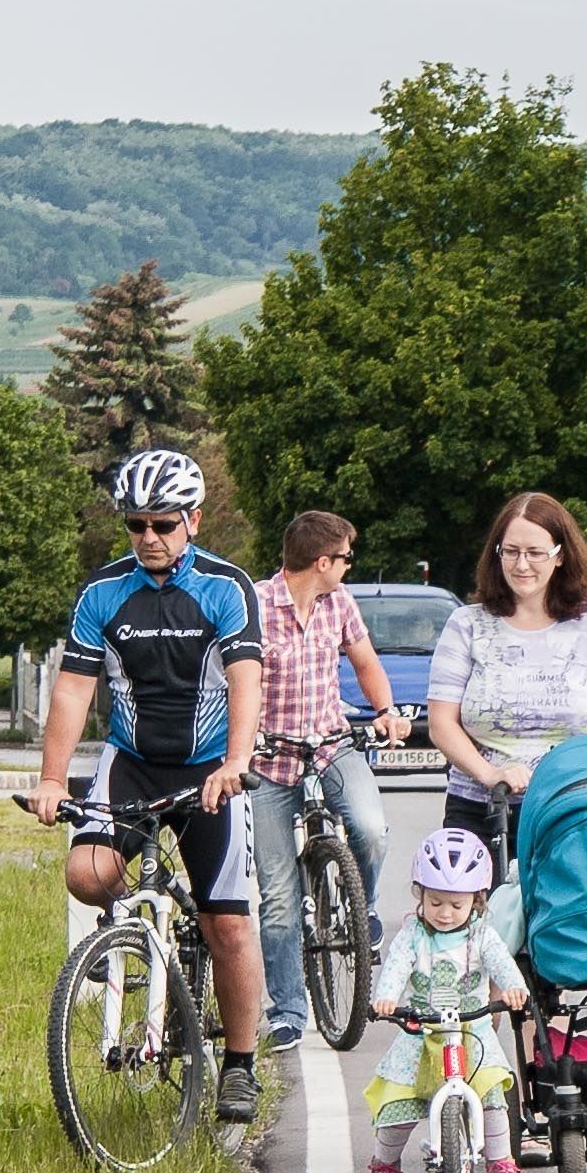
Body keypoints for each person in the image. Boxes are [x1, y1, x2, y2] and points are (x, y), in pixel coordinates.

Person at [25, 449, 272, 1125]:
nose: (149, 537)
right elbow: (73, 690)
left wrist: (236, 761)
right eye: (136, 525)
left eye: (163, 524)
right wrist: (52, 779)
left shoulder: (226, 587)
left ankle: (241, 1066)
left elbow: (246, 680)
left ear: (194, 520)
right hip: (132, 760)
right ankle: (130, 932)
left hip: (209, 768)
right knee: (86, 874)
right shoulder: (103, 592)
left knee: (228, 924)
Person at [248, 508, 411, 1053]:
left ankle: (360, 906)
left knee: (370, 829)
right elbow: (234, 681)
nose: (348, 566)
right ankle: (289, 1011)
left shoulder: (339, 602)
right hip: (270, 762)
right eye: (345, 558)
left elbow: (364, 662)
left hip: (330, 746)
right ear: (322, 561)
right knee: (278, 898)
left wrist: (385, 711)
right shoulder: (253, 606)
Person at [423, 492, 587, 854]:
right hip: (482, 810)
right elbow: (441, 723)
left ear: (560, 555)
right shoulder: (466, 624)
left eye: (535, 553)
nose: (522, 564)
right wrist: (490, 775)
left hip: (572, 811)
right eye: (511, 552)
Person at [363, 826, 534, 1173]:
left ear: (477, 901)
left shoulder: (482, 935)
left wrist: (513, 988)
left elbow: (502, 964)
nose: (444, 913)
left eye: (456, 905)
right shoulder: (413, 935)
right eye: (435, 902)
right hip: (420, 1031)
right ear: (420, 895)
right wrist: (386, 997)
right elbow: (396, 966)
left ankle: (501, 1166)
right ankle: (384, 1168)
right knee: (397, 1104)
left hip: (472, 1031)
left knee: (492, 1097)